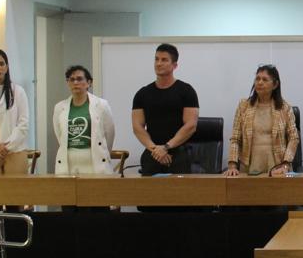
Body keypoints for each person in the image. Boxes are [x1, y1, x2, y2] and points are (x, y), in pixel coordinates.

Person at [131, 43, 199, 175]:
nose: (158, 63)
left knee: (179, 188)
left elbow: (191, 125)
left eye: (164, 60)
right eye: (156, 59)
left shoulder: (186, 91)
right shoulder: (143, 93)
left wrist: (166, 147)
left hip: (178, 154)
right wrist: (155, 149)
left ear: (174, 65)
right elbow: (137, 127)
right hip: (152, 153)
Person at [225, 65, 299, 176]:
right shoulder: (243, 106)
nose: (260, 82)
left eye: (265, 79)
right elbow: (235, 138)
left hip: (278, 167)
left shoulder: (285, 108)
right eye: (257, 79)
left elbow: (294, 138)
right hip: (249, 166)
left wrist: (286, 164)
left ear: (275, 85)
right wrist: (232, 165)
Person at [53, 65, 118, 175]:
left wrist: (102, 151)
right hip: (68, 162)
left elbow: (109, 134)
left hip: (95, 162)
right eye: (71, 79)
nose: (75, 82)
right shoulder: (59, 107)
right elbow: (59, 134)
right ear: (68, 83)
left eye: (79, 79)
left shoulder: (101, 105)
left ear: (89, 82)